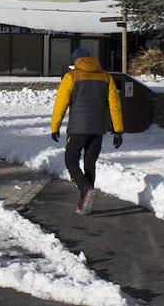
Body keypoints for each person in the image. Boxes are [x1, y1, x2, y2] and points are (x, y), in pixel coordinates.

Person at [50, 47, 123, 215]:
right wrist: (118, 130)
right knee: (90, 164)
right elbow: (115, 106)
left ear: (76, 61)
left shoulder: (72, 77)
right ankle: (84, 203)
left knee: (70, 160)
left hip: (77, 130)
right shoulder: (106, 77)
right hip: (97, 130)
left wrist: (55, 127)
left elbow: (60, 104)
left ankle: (85, 188)